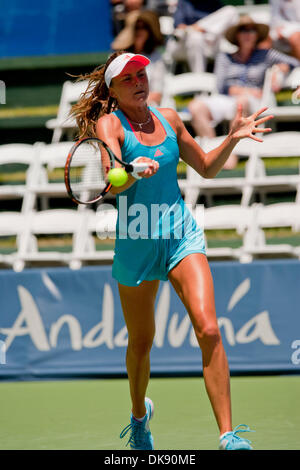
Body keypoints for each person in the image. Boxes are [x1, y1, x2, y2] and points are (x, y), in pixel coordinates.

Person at [71, 51, 273, 450]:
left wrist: (230, 139)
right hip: (136, 245)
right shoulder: (108, 123)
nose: (139, 81)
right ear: (112, 89)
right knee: (141, 343)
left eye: (141, 74)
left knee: (209, 328)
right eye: (128, 78)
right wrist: (131, 170)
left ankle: (228, 436)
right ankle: (139, 416)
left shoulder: (170, 118)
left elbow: (207, 167)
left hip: (181, 236)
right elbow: (113, 182)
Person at [187, 15, 300, 169]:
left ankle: (230, 154)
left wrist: (282, 68)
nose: (248, 34)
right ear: (237, 35)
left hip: (253, 101)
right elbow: (221, 86)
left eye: (251, 30)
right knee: (195, 107)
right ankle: (214, 153)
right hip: (227, 97)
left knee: (242, 102)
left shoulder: (266, 54)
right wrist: (243, 90)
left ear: (256, 35)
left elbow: (293, 62)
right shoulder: (225, 57)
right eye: (243, 30)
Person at [164, 0, 239, 73]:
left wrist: (197, 28)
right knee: (196, 37)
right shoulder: (184, 2)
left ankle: (201, 31)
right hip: (183, 44)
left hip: (210, 44)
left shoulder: (213, 2)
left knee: (231, 11)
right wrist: (197, 31)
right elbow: (179, 26)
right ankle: (198, 78)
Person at [111, 10, 166, 106]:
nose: (140, 31)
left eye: (144, 27)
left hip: (150, 106)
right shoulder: (117, 57)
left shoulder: (156, 57)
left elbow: (157, 94)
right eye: (137, 27)